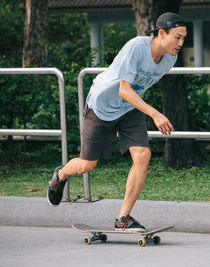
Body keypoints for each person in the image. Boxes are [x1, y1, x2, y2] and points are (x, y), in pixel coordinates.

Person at [47, 12, 187, 232]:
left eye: (183, 38)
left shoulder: (170, 58)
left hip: (129, 108)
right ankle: (61, 174)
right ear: (161, 33)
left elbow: (136, 89)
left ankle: (123, 217)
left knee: (143, 155)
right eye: (177, 37)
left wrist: (146, 111)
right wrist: (155, 114)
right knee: (87, 164)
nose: (180, 43)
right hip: (101, 107)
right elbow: (124, 89)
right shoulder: (136, 48)